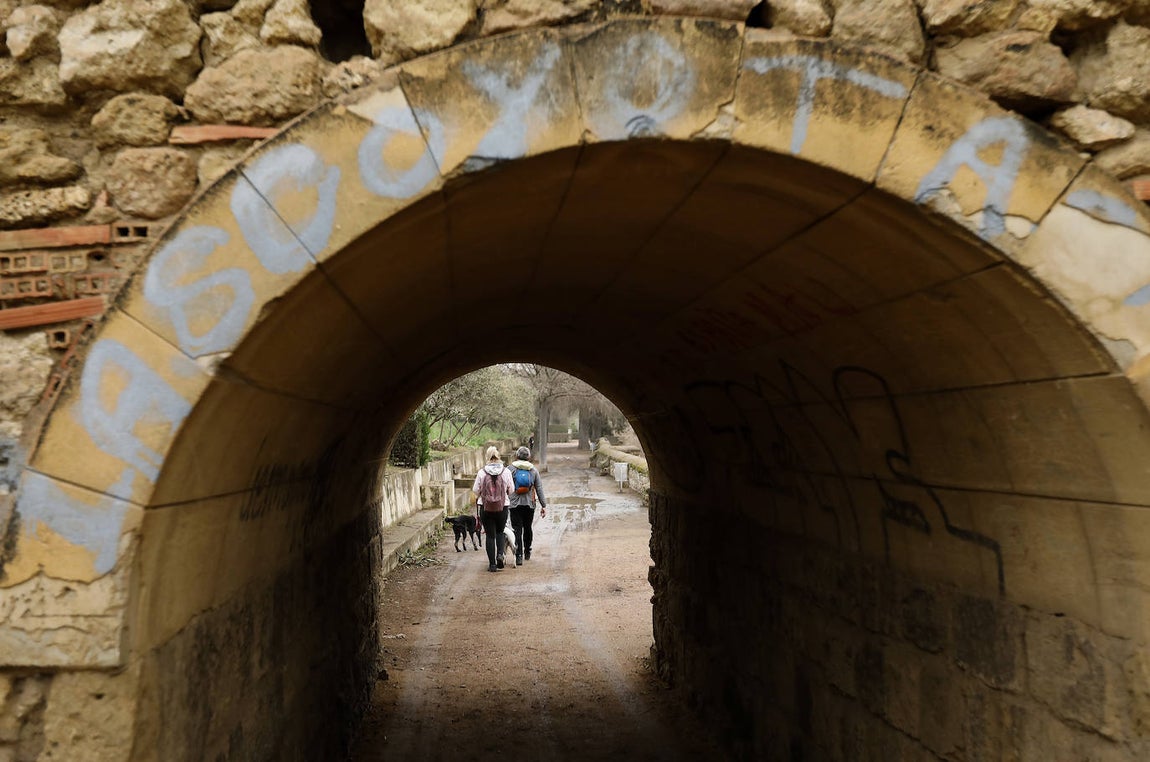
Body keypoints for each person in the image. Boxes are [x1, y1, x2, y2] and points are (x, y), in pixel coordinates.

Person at [472, 446, 514, 572]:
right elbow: (511, 490)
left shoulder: (482, 472)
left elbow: (475, 490)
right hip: (503, 507)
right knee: (500, 532)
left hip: (486, 507)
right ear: (498, 456)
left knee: (490, 535)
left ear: (487, 457)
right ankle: (500, 555)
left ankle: (492, 565)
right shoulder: (506, 471)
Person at [508, 446, 547, 565]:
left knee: (517, 529)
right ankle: (528, 551)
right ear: (529, 457)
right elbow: (539, 488)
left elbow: (506, 486)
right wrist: (543, 505)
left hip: (514, 504)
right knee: (528, 527)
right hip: (529, 504)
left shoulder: (510, 469)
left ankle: (518, 555)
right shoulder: (533, 470)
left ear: (517, 456)